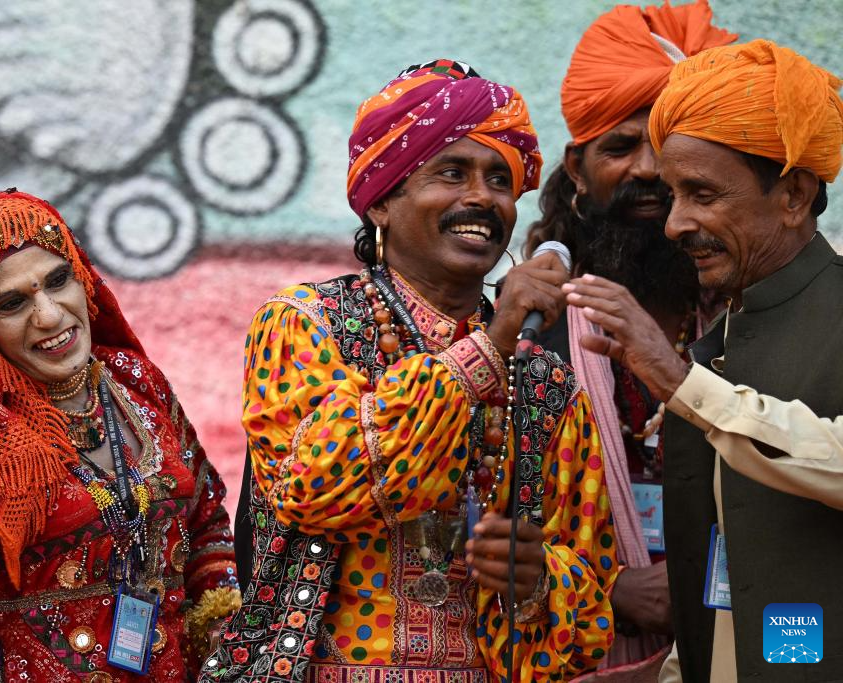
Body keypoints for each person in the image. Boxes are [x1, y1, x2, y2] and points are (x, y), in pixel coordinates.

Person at [202, 59, 617, 683]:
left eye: (499, 180)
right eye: (451, 173)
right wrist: (491, 344)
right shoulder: (302, 324)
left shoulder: (546, 385)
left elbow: (590, 603)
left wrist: (539, 578)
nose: (481, 197)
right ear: (383, 202)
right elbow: (321, 484)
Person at [0, 190, 240, 681]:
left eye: (59, 281)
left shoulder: (134, 384)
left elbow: (204, 521)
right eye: (12, 304)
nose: (51, 315)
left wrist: (226, 646)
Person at [564, 40, 843, 681]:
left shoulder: (695, 367)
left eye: (703, 194)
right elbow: (717, 605)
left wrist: (679, 381)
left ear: (795, 194)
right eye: (673, 194)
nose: (674, 223)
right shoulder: (719, 340)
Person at [522, 0, 735, 672]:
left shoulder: (746, 319)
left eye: (668, 148)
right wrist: (606, 591)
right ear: (578, 171)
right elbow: (480, 519)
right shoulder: (529, 326)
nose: (647, 169)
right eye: (619, 146)